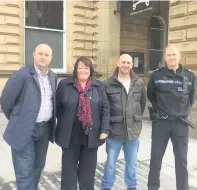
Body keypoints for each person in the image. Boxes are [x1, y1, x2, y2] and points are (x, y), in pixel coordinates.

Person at [1, 44, 57, 190]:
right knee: (24, 173)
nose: (43, 57)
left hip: (44, 130)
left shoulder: (52, 76)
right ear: (34, 54)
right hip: (24, 130)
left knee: (38, 167)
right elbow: (6, 102)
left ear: (51, 58)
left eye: (47, 55)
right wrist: (19, 120)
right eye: (40, 54)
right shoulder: (22, 75)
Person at [55, 56, 110, 190]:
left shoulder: (98, 86)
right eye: (80, 68)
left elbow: (105, 109)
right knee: (69, 173)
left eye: (86, 68)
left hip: (91, 136)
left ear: (90, 70)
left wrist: (104, 129)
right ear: (75, 69)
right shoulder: (64, 85)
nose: (83, 71)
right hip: (70, 136)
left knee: (88, 173)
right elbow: (58, 108)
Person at [147, 45, 196, 190]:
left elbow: (192, 98)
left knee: (181, 160)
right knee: (156, 158)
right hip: (161, 123)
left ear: (179, 56)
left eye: (174, 55)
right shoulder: (157, 75)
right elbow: (151, 95)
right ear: (165, 57)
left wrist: (180, 111)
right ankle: (152, 187)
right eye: (169, 55)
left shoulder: (189, 76)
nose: (172, 57)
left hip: (181, 124)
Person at [101, 54, 146, 190]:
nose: (126, 65)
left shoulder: (138, 83)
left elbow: (142, 104)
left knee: (132, 163)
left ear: (132, 65)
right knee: (110, 163)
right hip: (114, 131)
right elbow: (104, 108)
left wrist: (135, 119)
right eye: (123, 62)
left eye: (129, 62)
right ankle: (107, 186)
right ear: (118, 63)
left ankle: (131, 186)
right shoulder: (107, 84)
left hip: (133, 131)